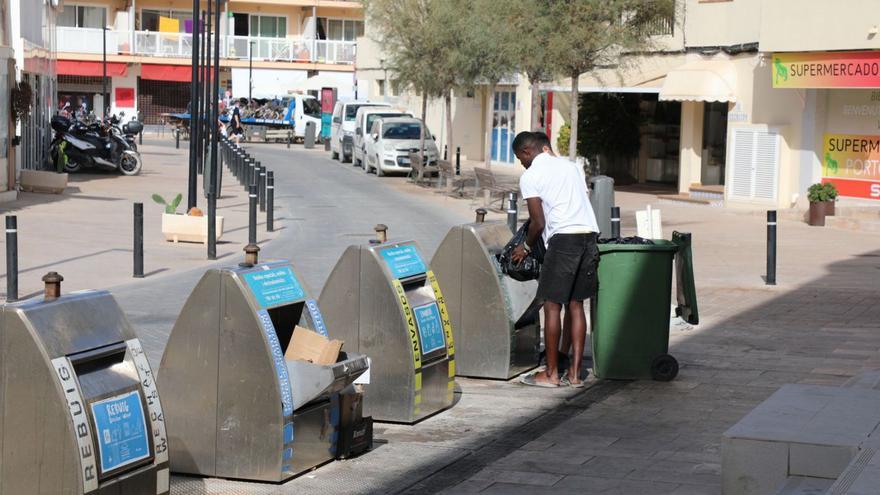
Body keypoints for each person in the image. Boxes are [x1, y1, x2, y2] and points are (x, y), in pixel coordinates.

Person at [512, 131, 600, 388]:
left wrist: (524, 247)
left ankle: (550, 374)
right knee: (576, 305)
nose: (522, 164)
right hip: (588, 236)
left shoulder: (531, 175)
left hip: (564, 241)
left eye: (520, 158)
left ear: (528, 152)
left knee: (552, 306)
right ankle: (574, 375)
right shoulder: (571, 167)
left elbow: (538, 222)